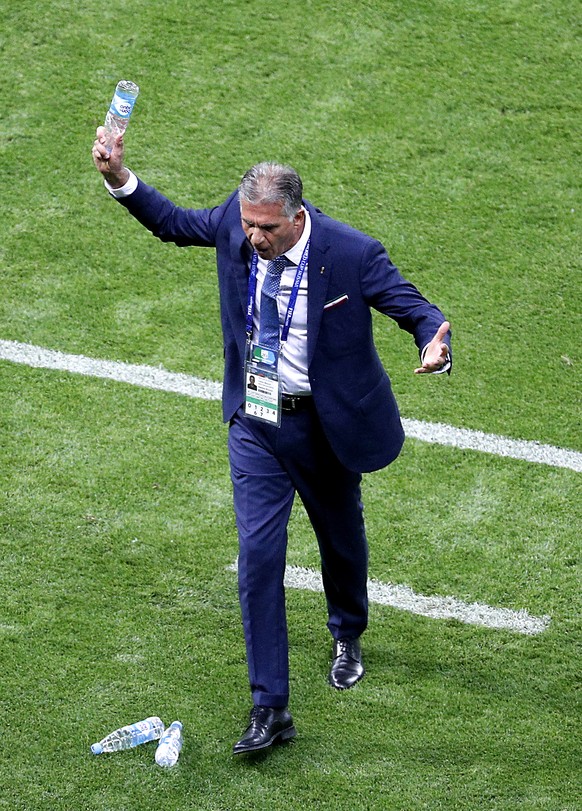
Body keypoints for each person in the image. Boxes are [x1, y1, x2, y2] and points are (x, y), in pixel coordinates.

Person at [92, 129, 452, 755]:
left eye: (266, 229)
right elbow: (172, 222)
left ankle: (347, 631)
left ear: (296, 217)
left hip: (325, 424)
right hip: (256, 423)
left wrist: (434, 344)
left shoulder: (351, 253)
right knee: (258, 556)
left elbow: (413, 307)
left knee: (341, 539)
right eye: (248, 225)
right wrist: (119, 174)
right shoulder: (236, 225)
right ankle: (270, 706)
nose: (253, 239)